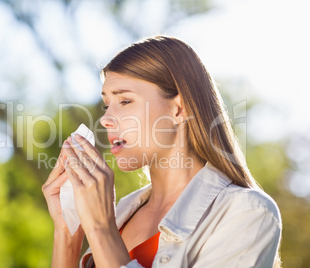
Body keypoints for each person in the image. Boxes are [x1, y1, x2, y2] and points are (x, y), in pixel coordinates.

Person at [42, 36, 282, 268]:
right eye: (107, 105)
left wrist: (101, 229)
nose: (105, 119)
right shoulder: (120, 214)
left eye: (124, 101)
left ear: (178, 110)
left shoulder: (247, 213)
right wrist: (68, 234)